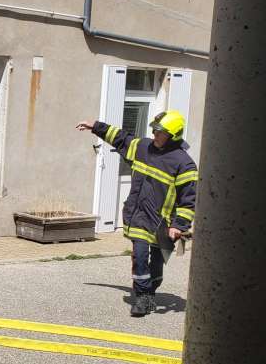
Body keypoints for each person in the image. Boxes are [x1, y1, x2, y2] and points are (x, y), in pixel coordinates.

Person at [76, 110, 198, 317]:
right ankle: (142, 297)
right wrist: (95, 126)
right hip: (139, 216)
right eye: (154, 130)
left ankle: (151, 290)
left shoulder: (184, 164)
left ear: (173, 135)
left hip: (163, 223)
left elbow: (188, 200)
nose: (154, 135)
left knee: (157, 265)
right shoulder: (143, 147)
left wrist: (179, 225)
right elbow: (121, 138)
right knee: (140, 256)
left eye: (160, 132)